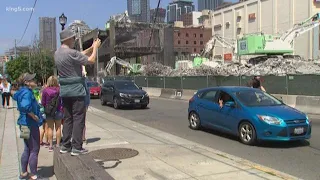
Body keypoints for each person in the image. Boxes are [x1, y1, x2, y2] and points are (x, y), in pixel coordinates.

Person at [55, 29, 101, 156]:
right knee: (78, 118)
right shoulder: (71, 52)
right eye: (73, 38)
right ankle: (77, 147)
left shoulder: (57, 53)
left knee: (68, 118)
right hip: (76, 90)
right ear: (68, 39)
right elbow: (91, 60)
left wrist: (90, 47)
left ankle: (65, 145)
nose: (74, 40)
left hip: (65, 91)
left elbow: (78, 55)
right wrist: (96, 48)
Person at [12, 73, 44, 180]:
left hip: (23, 124)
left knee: (27, 148)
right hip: (30, 124)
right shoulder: (26, 93)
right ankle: (34, 175)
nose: (35, 80)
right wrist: (34, 116)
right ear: (27, 82)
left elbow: (15, 96)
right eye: (32, 79)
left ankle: (24, 173)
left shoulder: (22, 92)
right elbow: (25, 107)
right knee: (34, 149)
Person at [41, 76, 63, 152]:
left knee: (50, 128)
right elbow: (62, 101)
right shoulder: (59, 90)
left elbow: (43, 102)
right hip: (58, 111)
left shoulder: (45, 91)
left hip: (49, 112)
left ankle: (50, 145)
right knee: (58, 128)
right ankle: (58, 144)